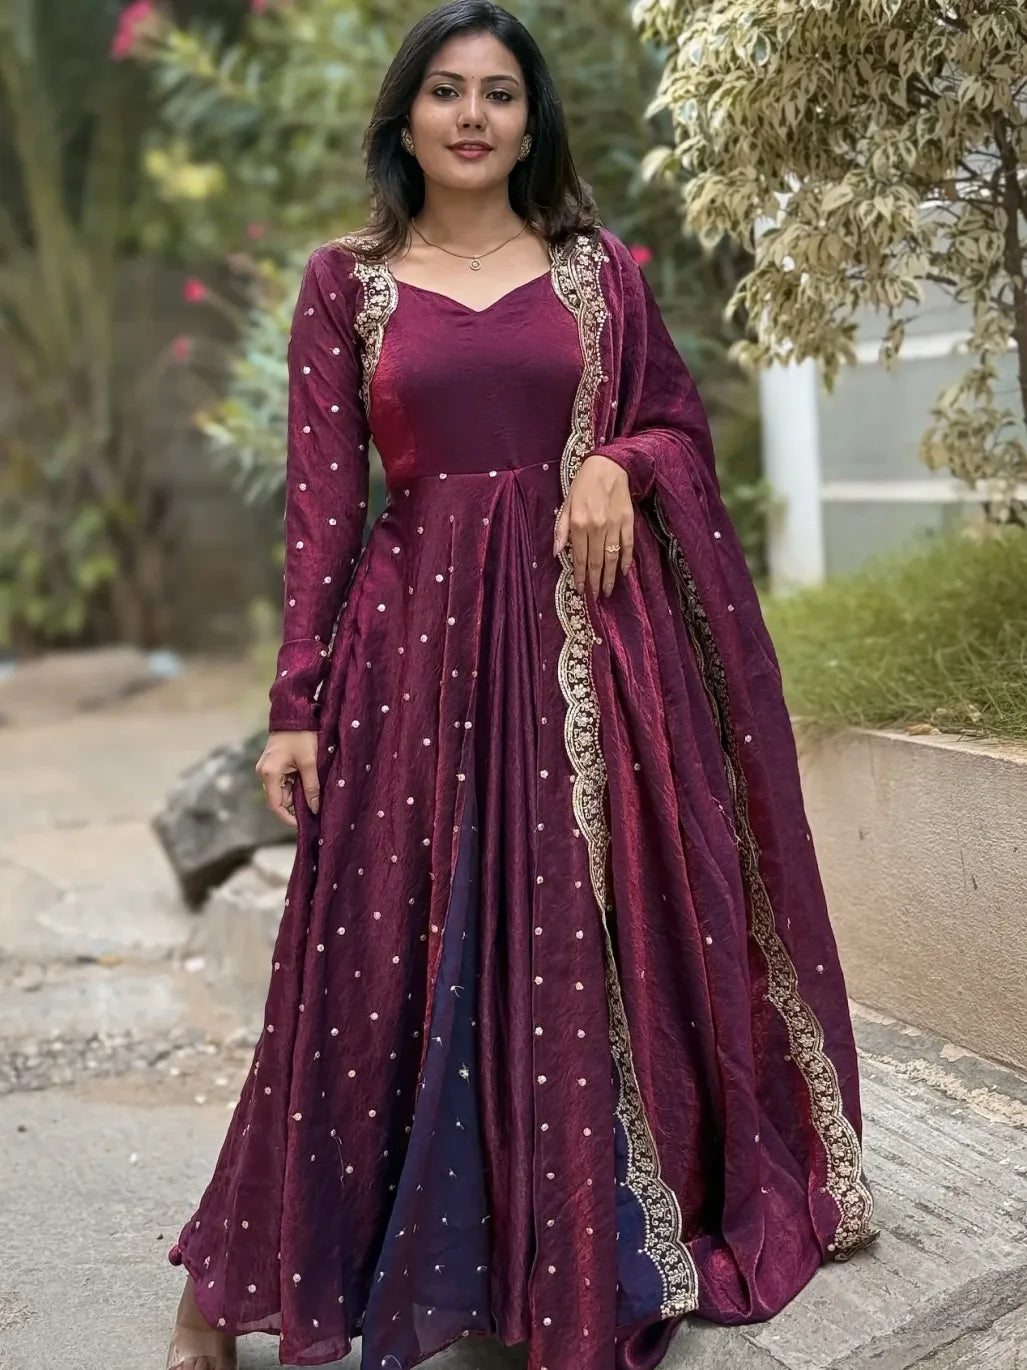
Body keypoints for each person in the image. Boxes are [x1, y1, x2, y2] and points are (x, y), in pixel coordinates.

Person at [164, 2, 881, 1368]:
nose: (476, 114)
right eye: (447, 91)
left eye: (501, 91)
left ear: (533, 117)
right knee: (364, 960)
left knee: (565, 952)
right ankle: (235, 1270)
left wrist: (617, 462)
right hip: (410, 665)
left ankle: (563, 1253)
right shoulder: (348, 281)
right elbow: (322, 510)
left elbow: (671, 415)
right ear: (407, 117)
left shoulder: (596, 271)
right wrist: (296, 703)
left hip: (581, 655)